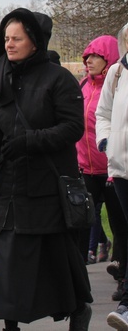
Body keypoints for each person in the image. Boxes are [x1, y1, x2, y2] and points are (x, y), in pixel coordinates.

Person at [0, 8, 92, 331]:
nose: (9, 44)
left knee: (56, 258)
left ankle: (77, 310)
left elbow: (73, 128)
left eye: (16, 38)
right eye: (6, 38)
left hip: (47, 187)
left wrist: (29, 141)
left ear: (34, 41)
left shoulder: (58, 79)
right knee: (6, 261)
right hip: (9, 186)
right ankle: (10, 325)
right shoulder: (0, 76)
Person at [76, 35, 120, 267]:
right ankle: (79, 276)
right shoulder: (83, 85)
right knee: (83, 221)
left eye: (95, 56)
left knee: (119, 223)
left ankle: (123, 275)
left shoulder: (118, 87)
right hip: (86, 168)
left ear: (109, 58)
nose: (88, 61)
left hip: (114, 168)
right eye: (87, 56)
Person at [97, 21, 128, 329]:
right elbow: (103, 112)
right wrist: (105, 139)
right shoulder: (117, 73)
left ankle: (127, 304)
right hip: (120, 166)